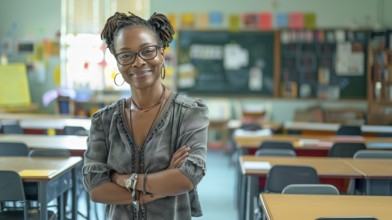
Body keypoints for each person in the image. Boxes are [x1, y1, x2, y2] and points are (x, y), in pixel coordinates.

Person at [82, 11, 209, 220]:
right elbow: (96, 189)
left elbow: (187, 177)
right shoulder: (103, 121)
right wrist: (160, 185)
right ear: (118, 62)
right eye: (126, 55)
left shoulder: (190, 112)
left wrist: (124, 180)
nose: (138, 62)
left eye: (147, 51)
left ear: (161, 53)